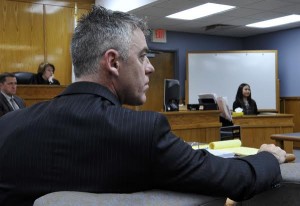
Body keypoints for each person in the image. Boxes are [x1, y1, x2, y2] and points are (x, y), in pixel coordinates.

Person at [0, 6, 286, 206]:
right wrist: (269, 157)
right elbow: (235, 179)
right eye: (143, 57)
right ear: (113, 62)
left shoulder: (7, 126)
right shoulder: (142, 131)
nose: (150, 68)